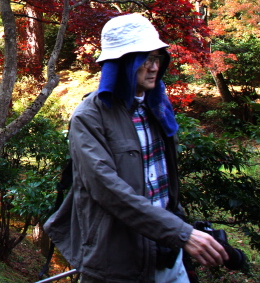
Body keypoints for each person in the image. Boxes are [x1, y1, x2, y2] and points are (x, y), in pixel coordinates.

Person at [44, 14, 228, 283]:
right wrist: (181, 232)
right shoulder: (90, 116)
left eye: (157, 58)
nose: (153, 67)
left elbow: (164, 184)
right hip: (116, 262)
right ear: (122, 63)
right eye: (144, 59)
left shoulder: (157, 108)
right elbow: (107, 189)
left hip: (167, 252)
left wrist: (180, 230)